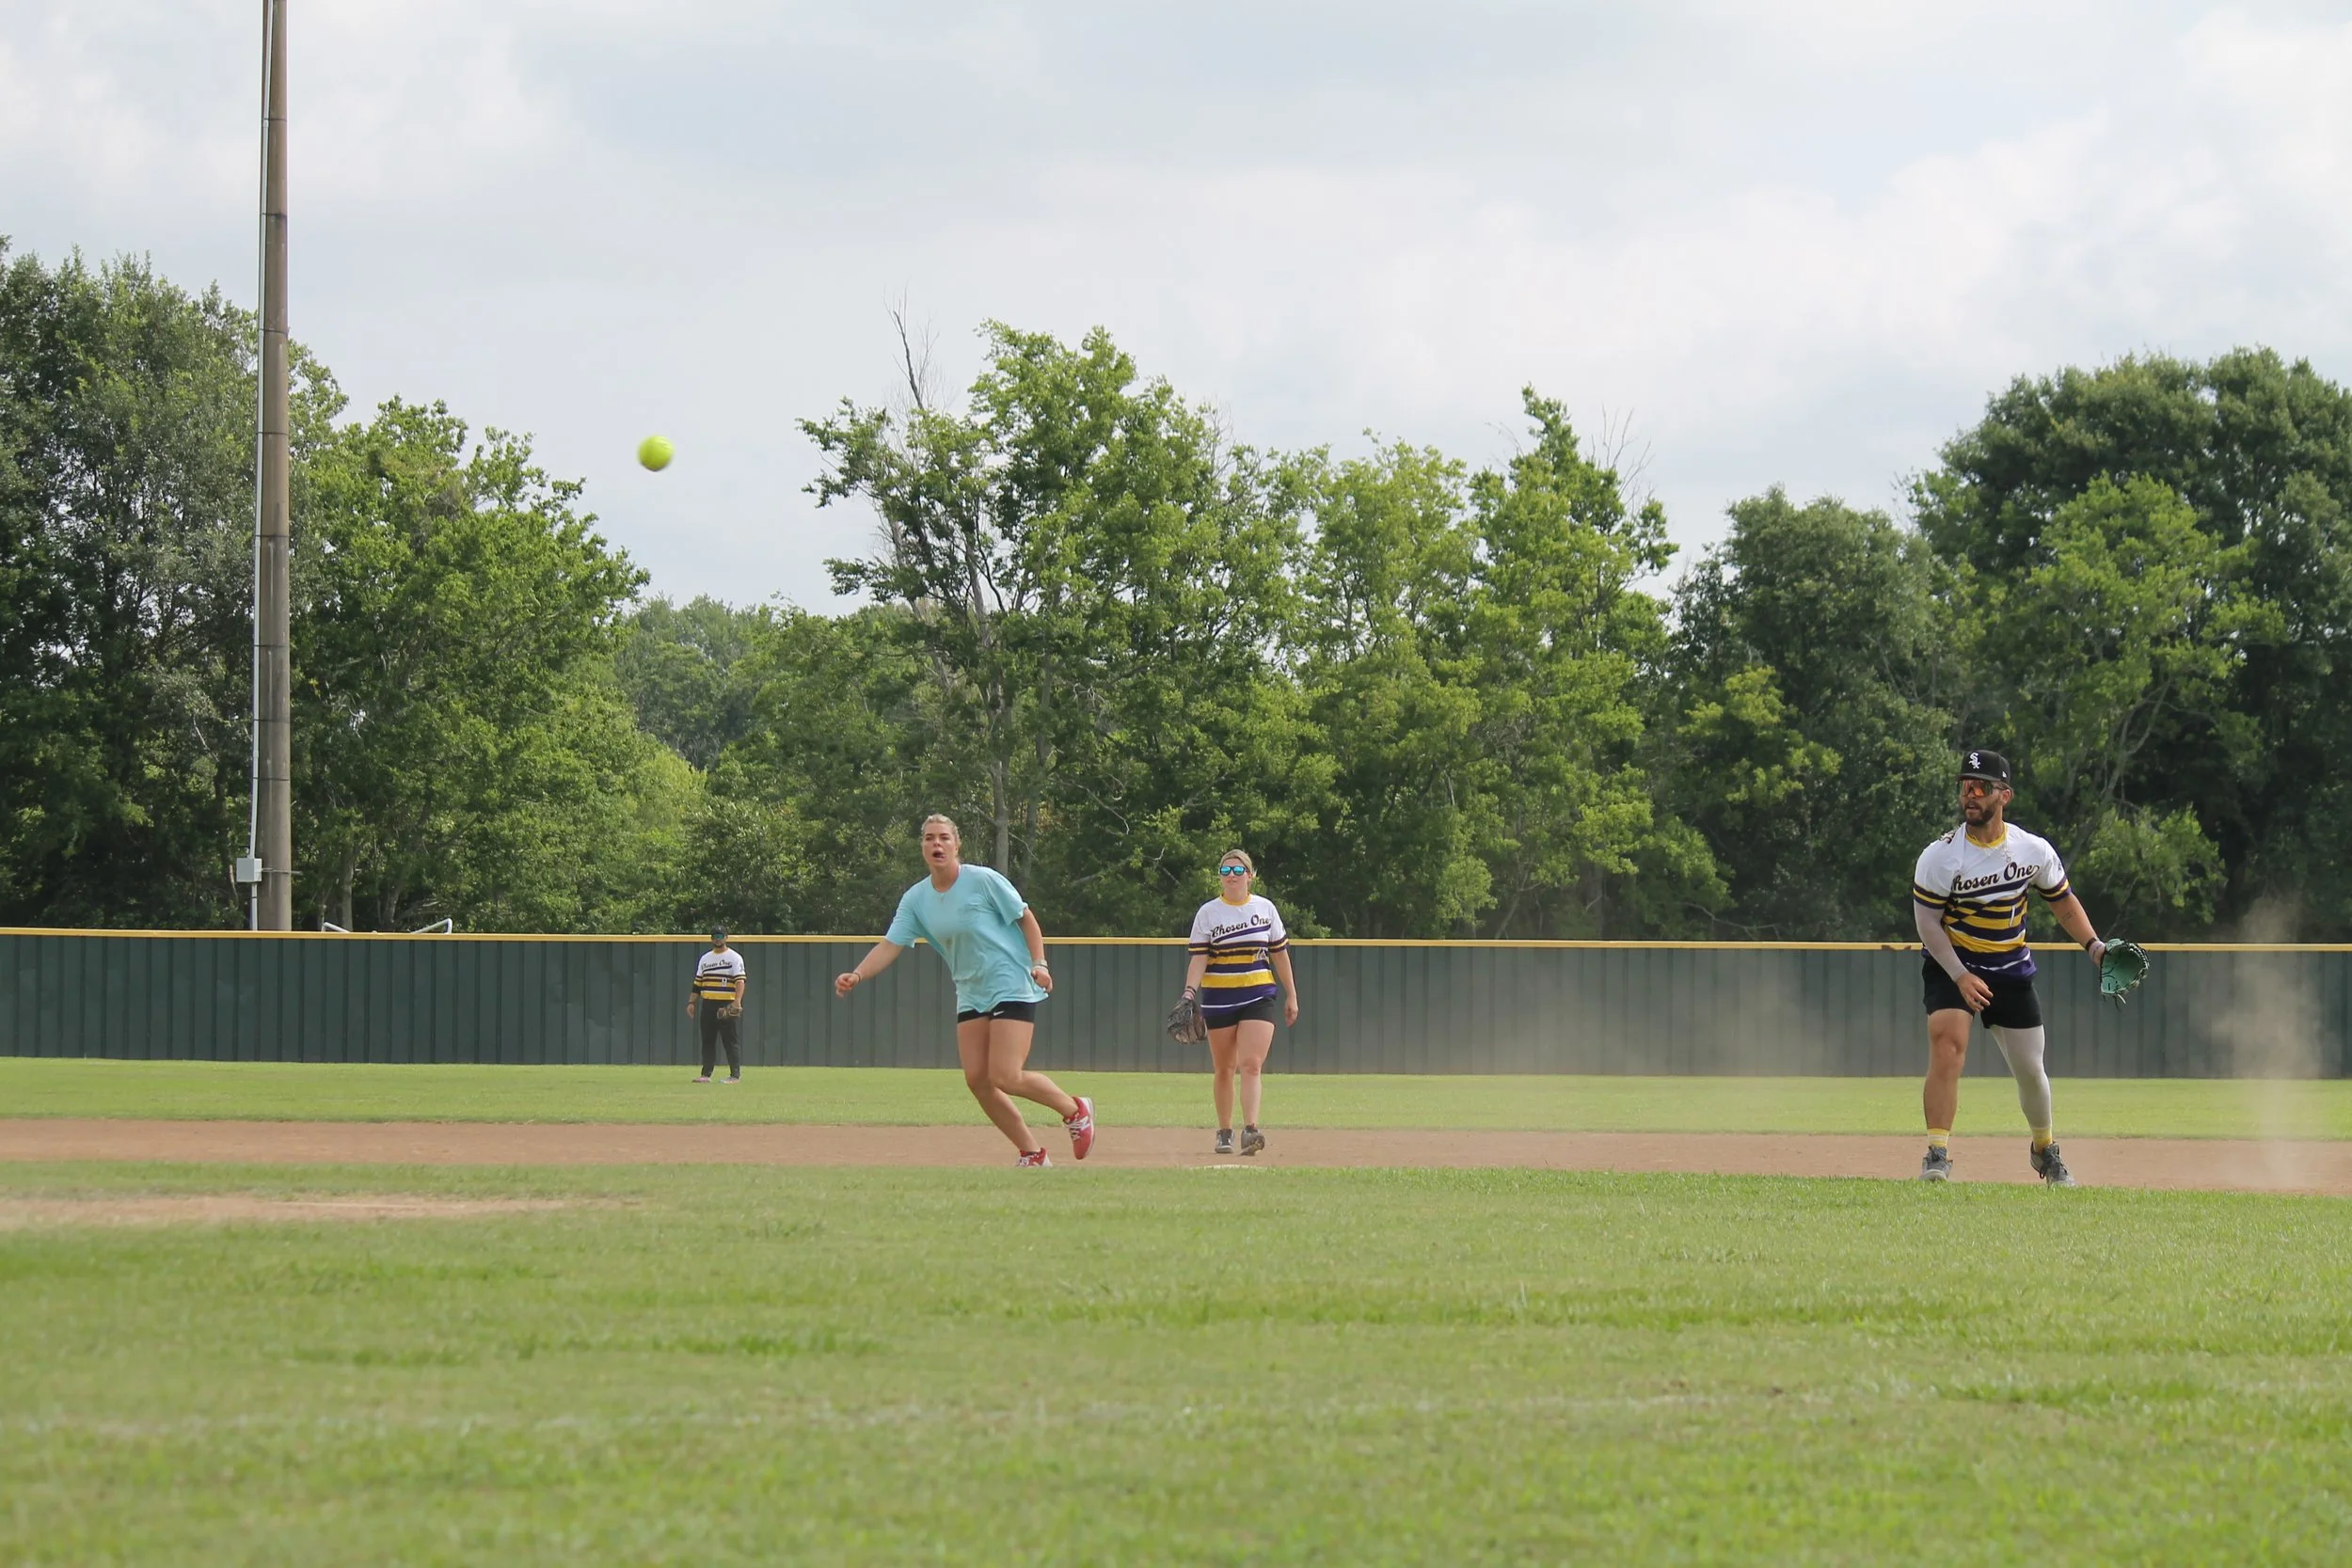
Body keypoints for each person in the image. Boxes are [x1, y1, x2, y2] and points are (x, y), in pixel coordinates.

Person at [834, 815, 1094, 1165]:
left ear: (957, 844)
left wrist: (1041, 963)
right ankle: (1032, 1153)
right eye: (929, 838)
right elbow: (891, 944)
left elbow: (1025, 918)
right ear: (922, 847)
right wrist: (858, 974)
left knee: (1005, 1075)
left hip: (1010, 981)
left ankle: (1074, 1109)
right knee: (978, 1079)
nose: (936, 844)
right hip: (971, 990)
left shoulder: (983, 880)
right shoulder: (916, 899)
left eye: (943, 838)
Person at [1911, 750, 2109, 1186]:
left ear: (2005, 796)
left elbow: (2062, 902)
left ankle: (2044, 1151)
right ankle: (1937, 1153)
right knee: (1947, 1045)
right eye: (1965, 786)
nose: (1971, 795)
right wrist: (1960, 975)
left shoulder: (2031, 850)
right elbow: (1926, 921)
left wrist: (2094, 946)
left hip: (2009, 968)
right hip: (1953, 964)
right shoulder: (1942, 856)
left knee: (2031, 1071)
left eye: (1980, 787)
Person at [1182, 849, 1299, 1156]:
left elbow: (1279, 954)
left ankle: (1250, 1130)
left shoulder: (1265, 909)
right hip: (1219, 997)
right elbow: (1199, 959)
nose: (1231, 875)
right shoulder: (1209, 913)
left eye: (1237, 870)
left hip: (1258, 993)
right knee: (1224, 1068)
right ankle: (1224, 1131)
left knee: (1251, 1064)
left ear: (1251, 875)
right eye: (1225, 870)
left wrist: (1292, 994)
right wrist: (1189, 993)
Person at [687, 927, 746, 1085]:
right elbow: (698, 983)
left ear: (726, 937)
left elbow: (740, 981)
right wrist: (692, 1002)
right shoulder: (705, 959)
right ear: (711, 939)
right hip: (708, 1004)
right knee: (707, 1040)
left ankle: (735, 1075)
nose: (717, 938)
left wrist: (737, 1001)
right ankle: (706, 1074)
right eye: (715, 936)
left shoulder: (734, 957)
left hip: (726, 1003)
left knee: (730, 1040)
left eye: (720, 935)